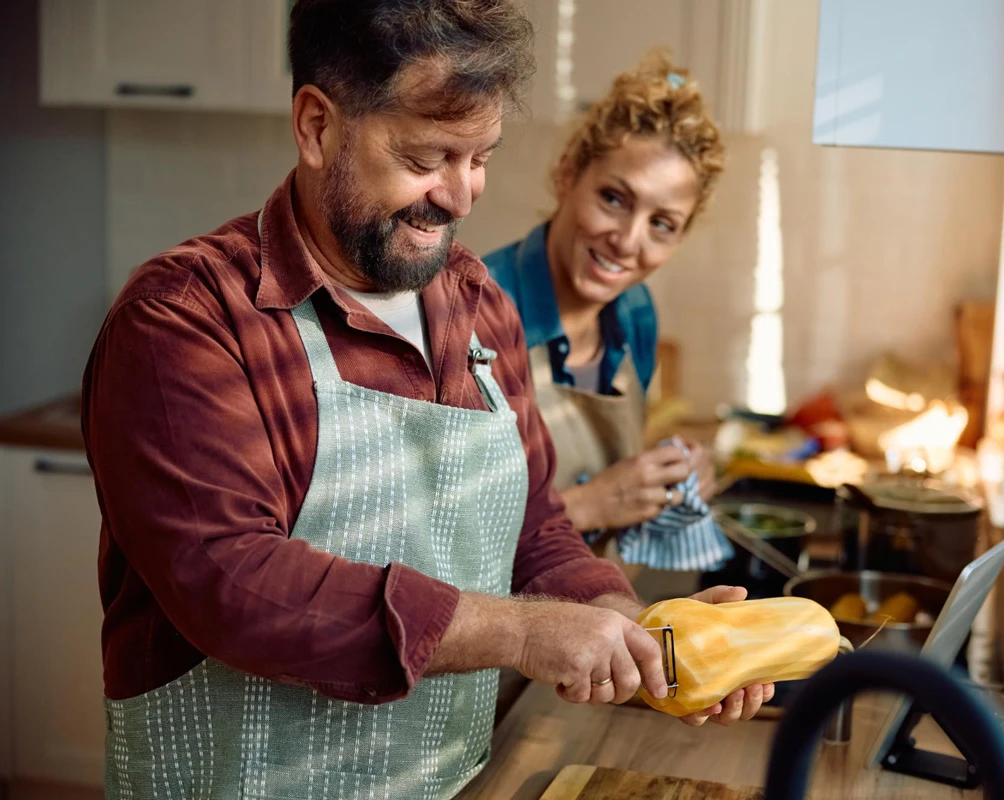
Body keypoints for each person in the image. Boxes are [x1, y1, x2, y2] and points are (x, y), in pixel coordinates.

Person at [82, 3, 768, 798]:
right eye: (428, 157)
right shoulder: (187, 319)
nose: (461, 196)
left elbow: (534, 527)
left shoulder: (478, 307)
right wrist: (520, 630)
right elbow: (230, 581)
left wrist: (644, 638)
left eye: (479, 158)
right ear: (316, 126)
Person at [484, 53, 726, 553]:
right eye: (614, 198)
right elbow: (432, 531)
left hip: (599, 607)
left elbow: (610, 458)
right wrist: (592, 503)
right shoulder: (474, 308)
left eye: (662, 224)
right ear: (567, 176)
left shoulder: (635, 313)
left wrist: (670, 474)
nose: (627, 241)